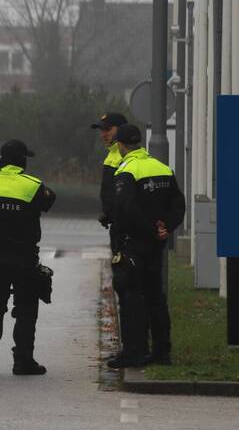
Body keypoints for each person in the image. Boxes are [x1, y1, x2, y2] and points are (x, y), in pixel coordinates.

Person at [106, 124, 186, 369]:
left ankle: (134, 352)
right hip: (156, 246)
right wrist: (165, 228)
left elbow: (126, 211)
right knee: (155, 297)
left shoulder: (127, 170)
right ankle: (162, 351)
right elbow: (178, 205)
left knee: (130, 297)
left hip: (134, 244)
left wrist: (149, 230)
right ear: (139, 142)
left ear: (120, 146)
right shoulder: (162, 168)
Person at [0, 140, 56, 376]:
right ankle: (23, 361)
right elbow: (50, 200)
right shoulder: (33, 185)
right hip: (24, 258)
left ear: (1, 159)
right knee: (26, 309)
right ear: (22, 160)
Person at [91, 112, 128, 250]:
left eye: (107, 130)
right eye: (102, 130)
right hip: (117, 225)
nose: (103, 134)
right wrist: (108, 214)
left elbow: (125, 195)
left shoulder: (124, 156)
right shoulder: (112, 154)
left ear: (121, 129)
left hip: (125, 227)